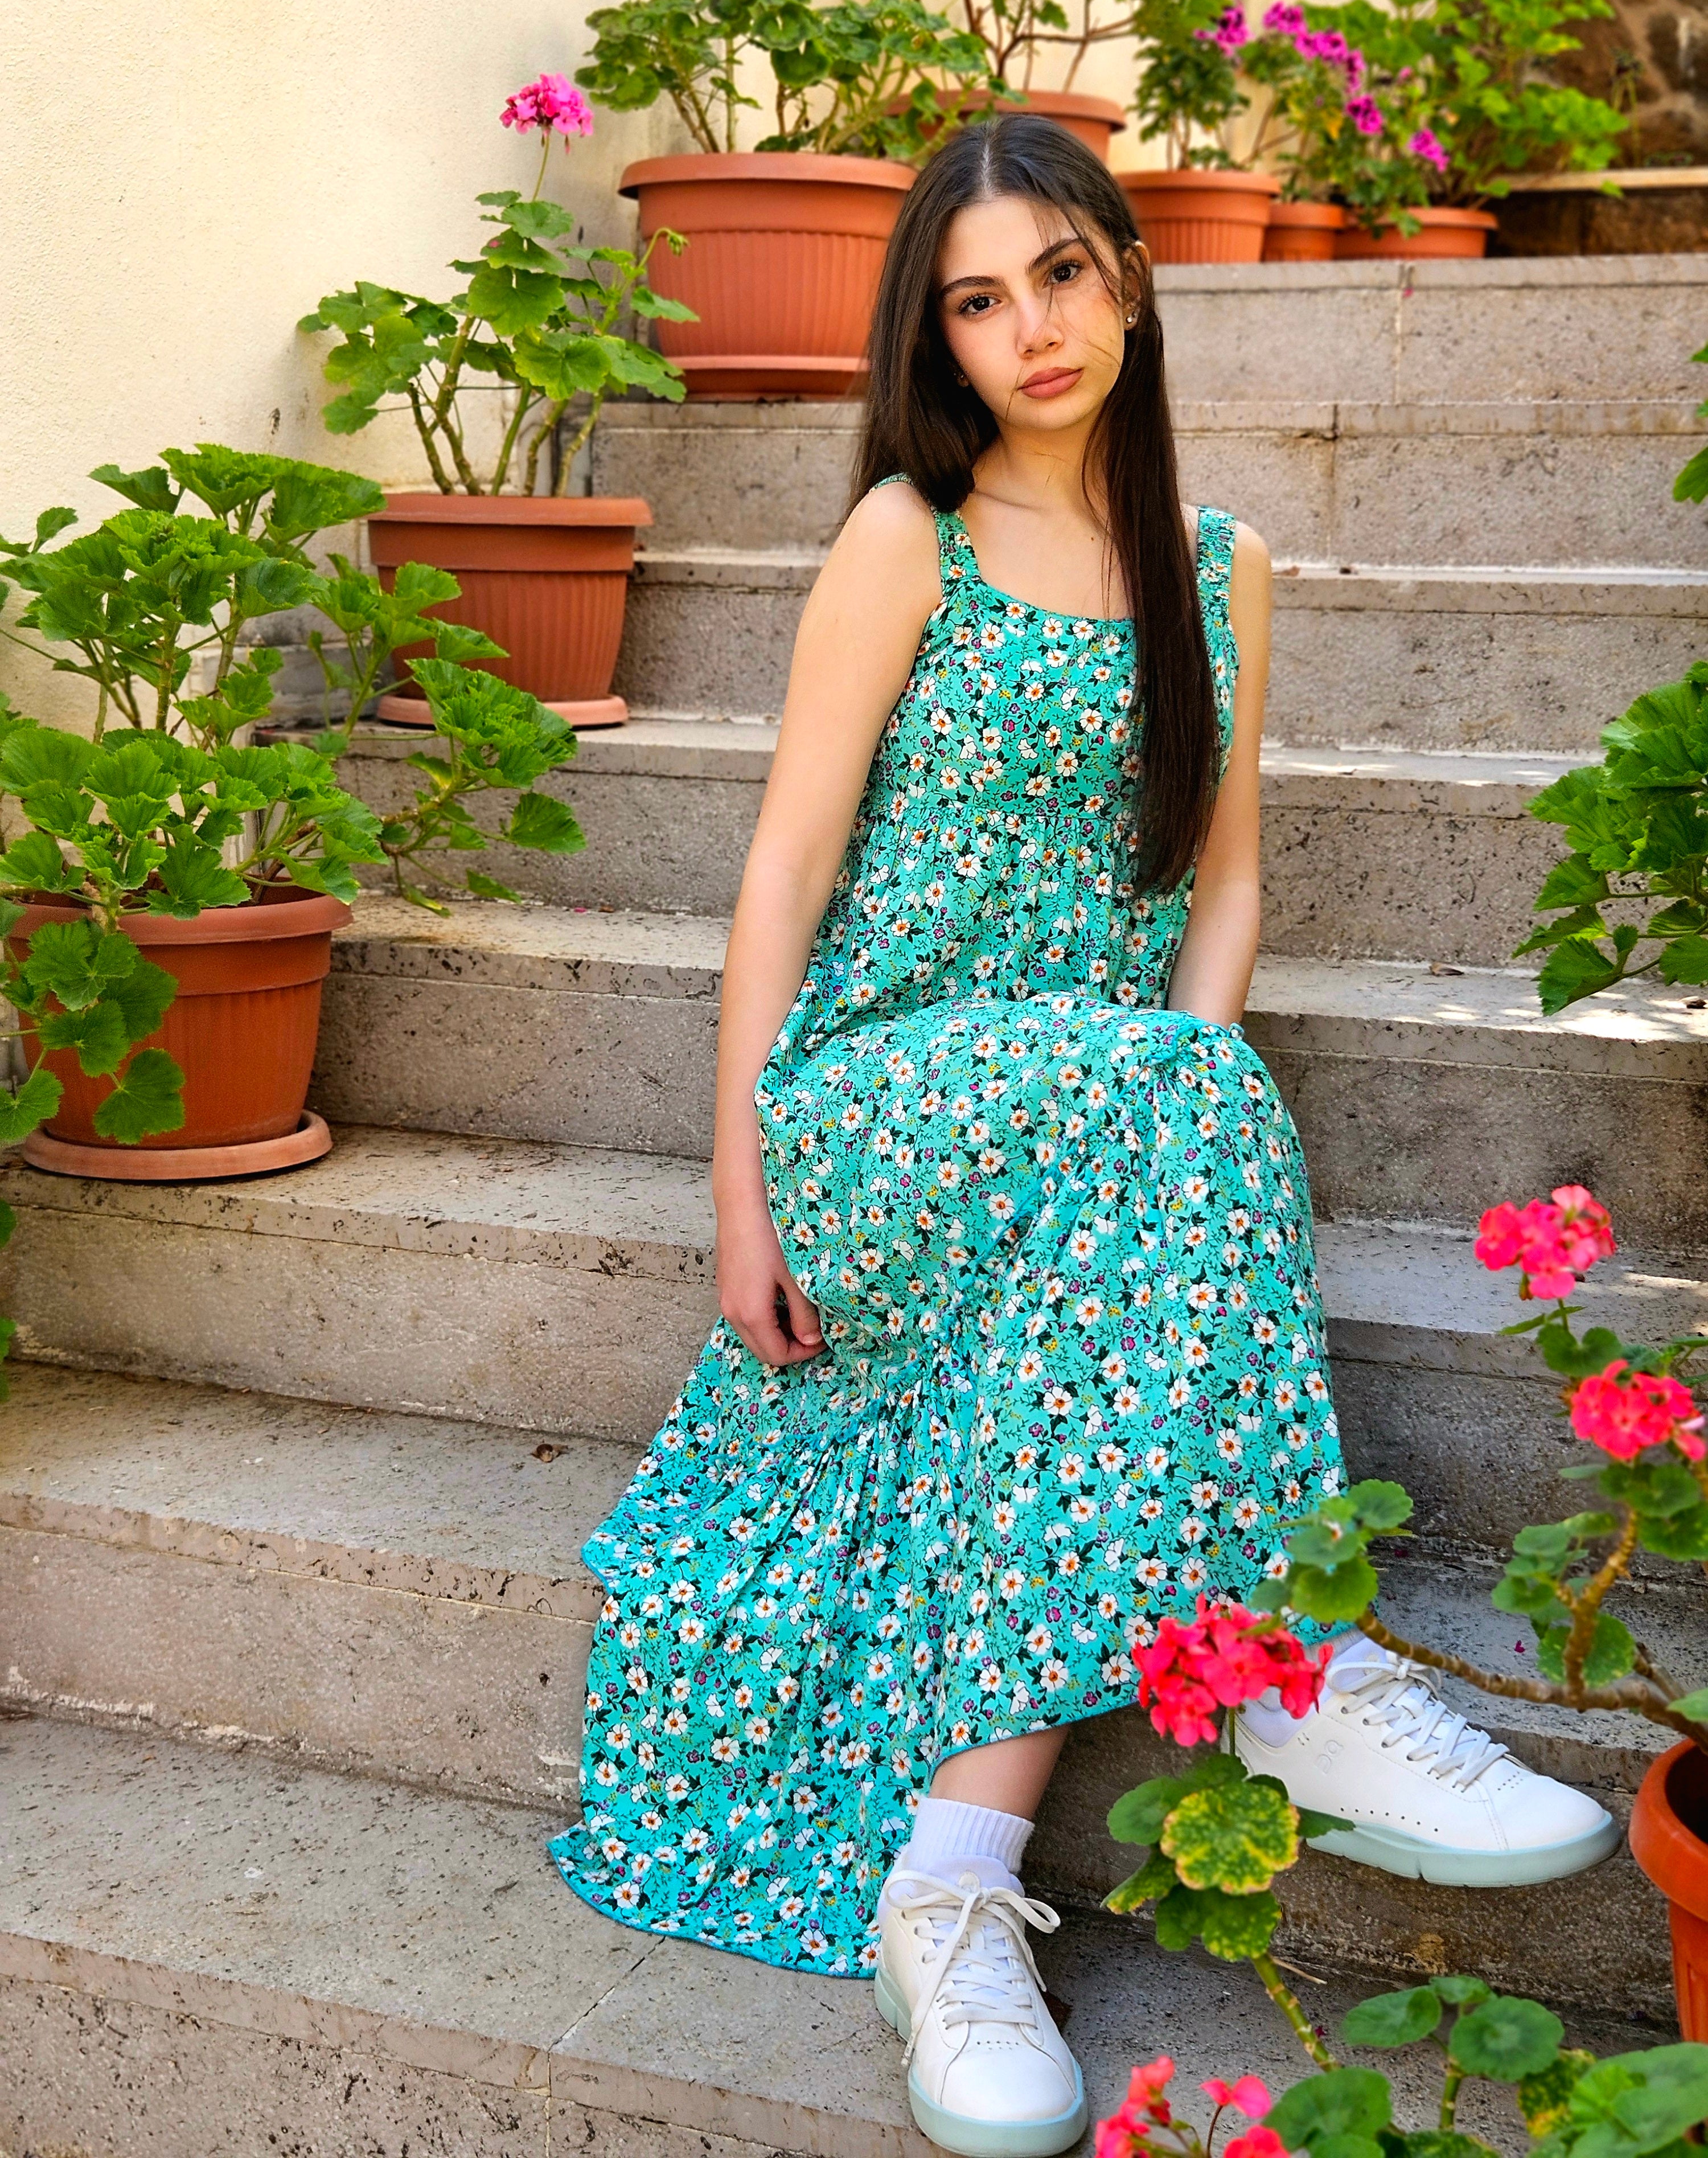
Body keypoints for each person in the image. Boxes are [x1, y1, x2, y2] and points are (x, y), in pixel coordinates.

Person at [549, 116, 1614, 2158]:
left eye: (1058, 272)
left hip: (1092, 1125)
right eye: (976, 300)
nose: (1029, 326)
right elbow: (782, 872)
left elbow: (1228, 878)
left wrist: (1167, 1131)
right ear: (935, 340)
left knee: (1172, 1095)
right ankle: (1290, 1674)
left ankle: (949, 1896)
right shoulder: (909, 536)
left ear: (1129, 273)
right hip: (877, 1100)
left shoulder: (1225, 568)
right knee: (1171, 1090)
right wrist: (740, 1188)